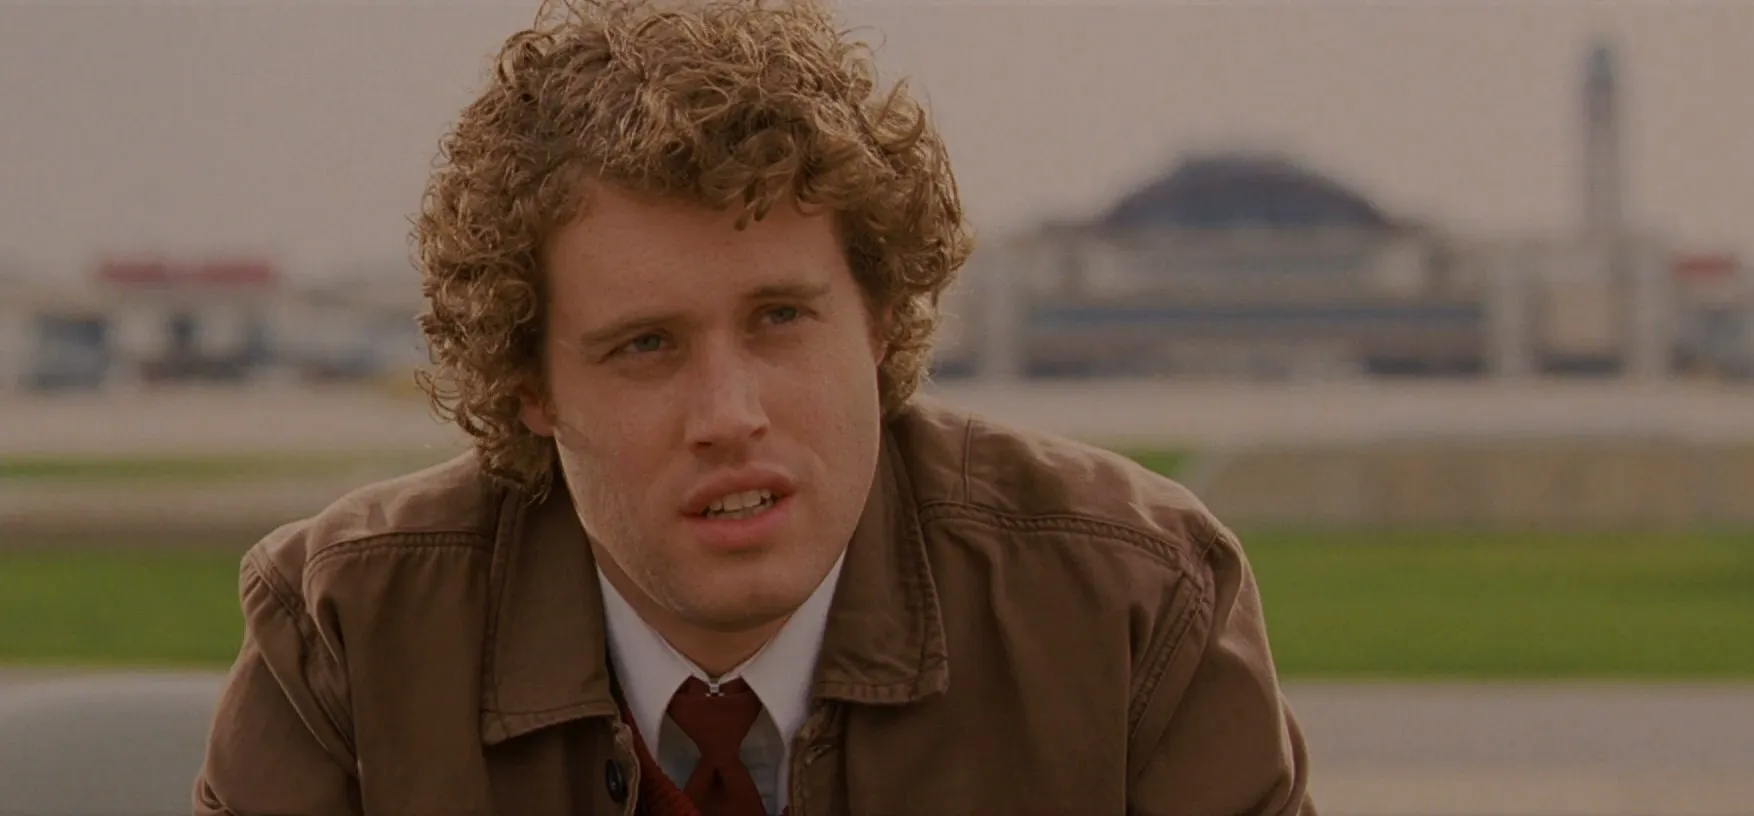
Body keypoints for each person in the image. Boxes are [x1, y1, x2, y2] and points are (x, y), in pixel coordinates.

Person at [192, 0, 1316, 813]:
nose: (729, 414)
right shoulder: (343, 634)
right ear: (531, 386)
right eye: (645, 346)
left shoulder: (1136, 606)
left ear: (879, 321)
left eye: (781, 318)